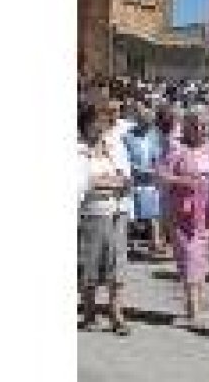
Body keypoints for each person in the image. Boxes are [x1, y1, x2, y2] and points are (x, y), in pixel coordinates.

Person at [156, 106, 209, 329]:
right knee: (190, 258)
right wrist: (184, 181)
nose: (201, 130)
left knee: (200, 259)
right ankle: (194, 314)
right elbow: (161, 175)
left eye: (205, 126)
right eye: (196, 126)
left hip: (206, 211)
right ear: (187, 126)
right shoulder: (177, 148)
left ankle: (195, 306)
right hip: (182, 212)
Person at [77, 101, 134, 335]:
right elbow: (81, 182)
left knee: (117, 265)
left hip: (117, 211)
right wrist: (107, 182)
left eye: (104, 122)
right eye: (98, 122)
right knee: (90, 264)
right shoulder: (77, 149)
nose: (102, 126)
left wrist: (108, 182)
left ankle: (116, 312)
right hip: (92, 213)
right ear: (87, 124)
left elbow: (127, 178)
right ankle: (89, 312)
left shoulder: (115, 145)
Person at [124, 101, 168, 257]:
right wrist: (136, 169)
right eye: (145, 121)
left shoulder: (155, 135)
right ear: (139, 120)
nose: (149, 124)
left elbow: (159, 156)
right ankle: (128, 243)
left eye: (150, 121)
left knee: (154, 211)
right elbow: (126, 158)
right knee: (133, 211)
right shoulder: (128, 136)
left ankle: (155, 242)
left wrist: (156, 170)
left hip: (151, 178)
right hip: (134, 176)